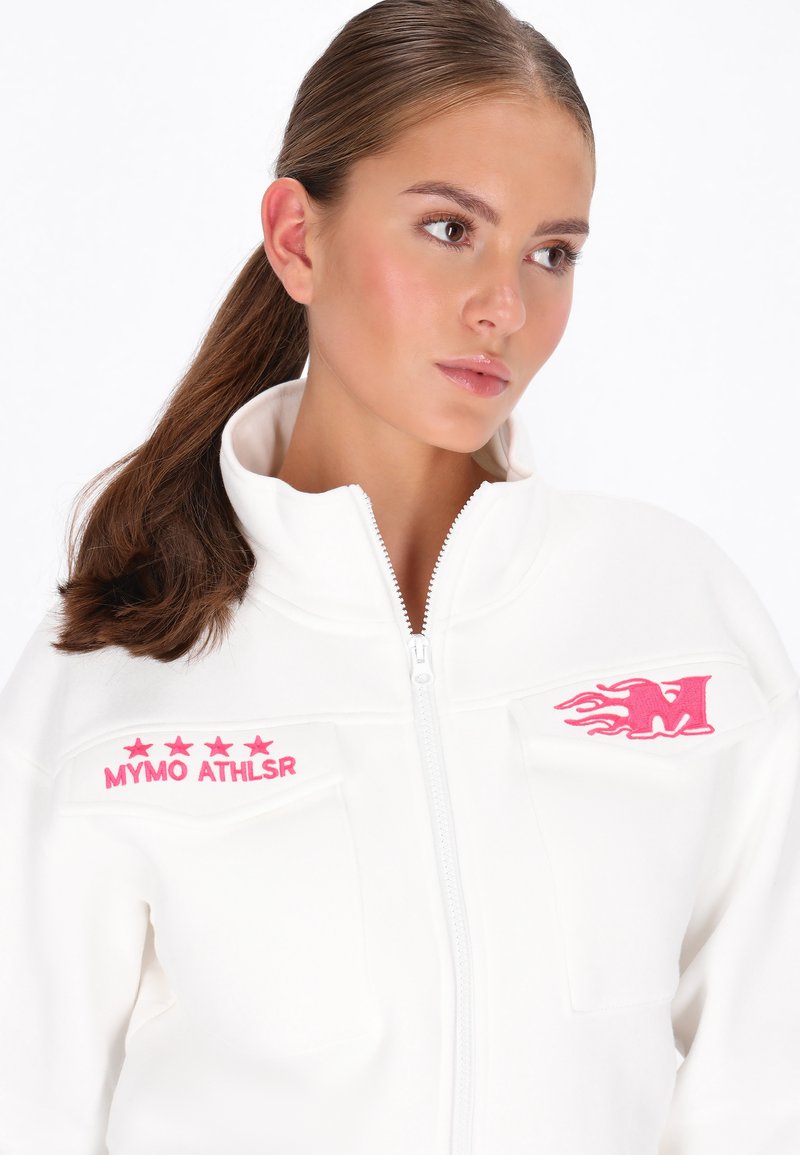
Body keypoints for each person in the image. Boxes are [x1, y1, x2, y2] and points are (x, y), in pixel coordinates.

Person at [1, 0, 798, 1151]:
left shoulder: (677, 616)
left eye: (551, 252)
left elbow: (761, 1091)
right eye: (446, 228)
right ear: (296, 238)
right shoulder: (111, 673)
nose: (503, 306)